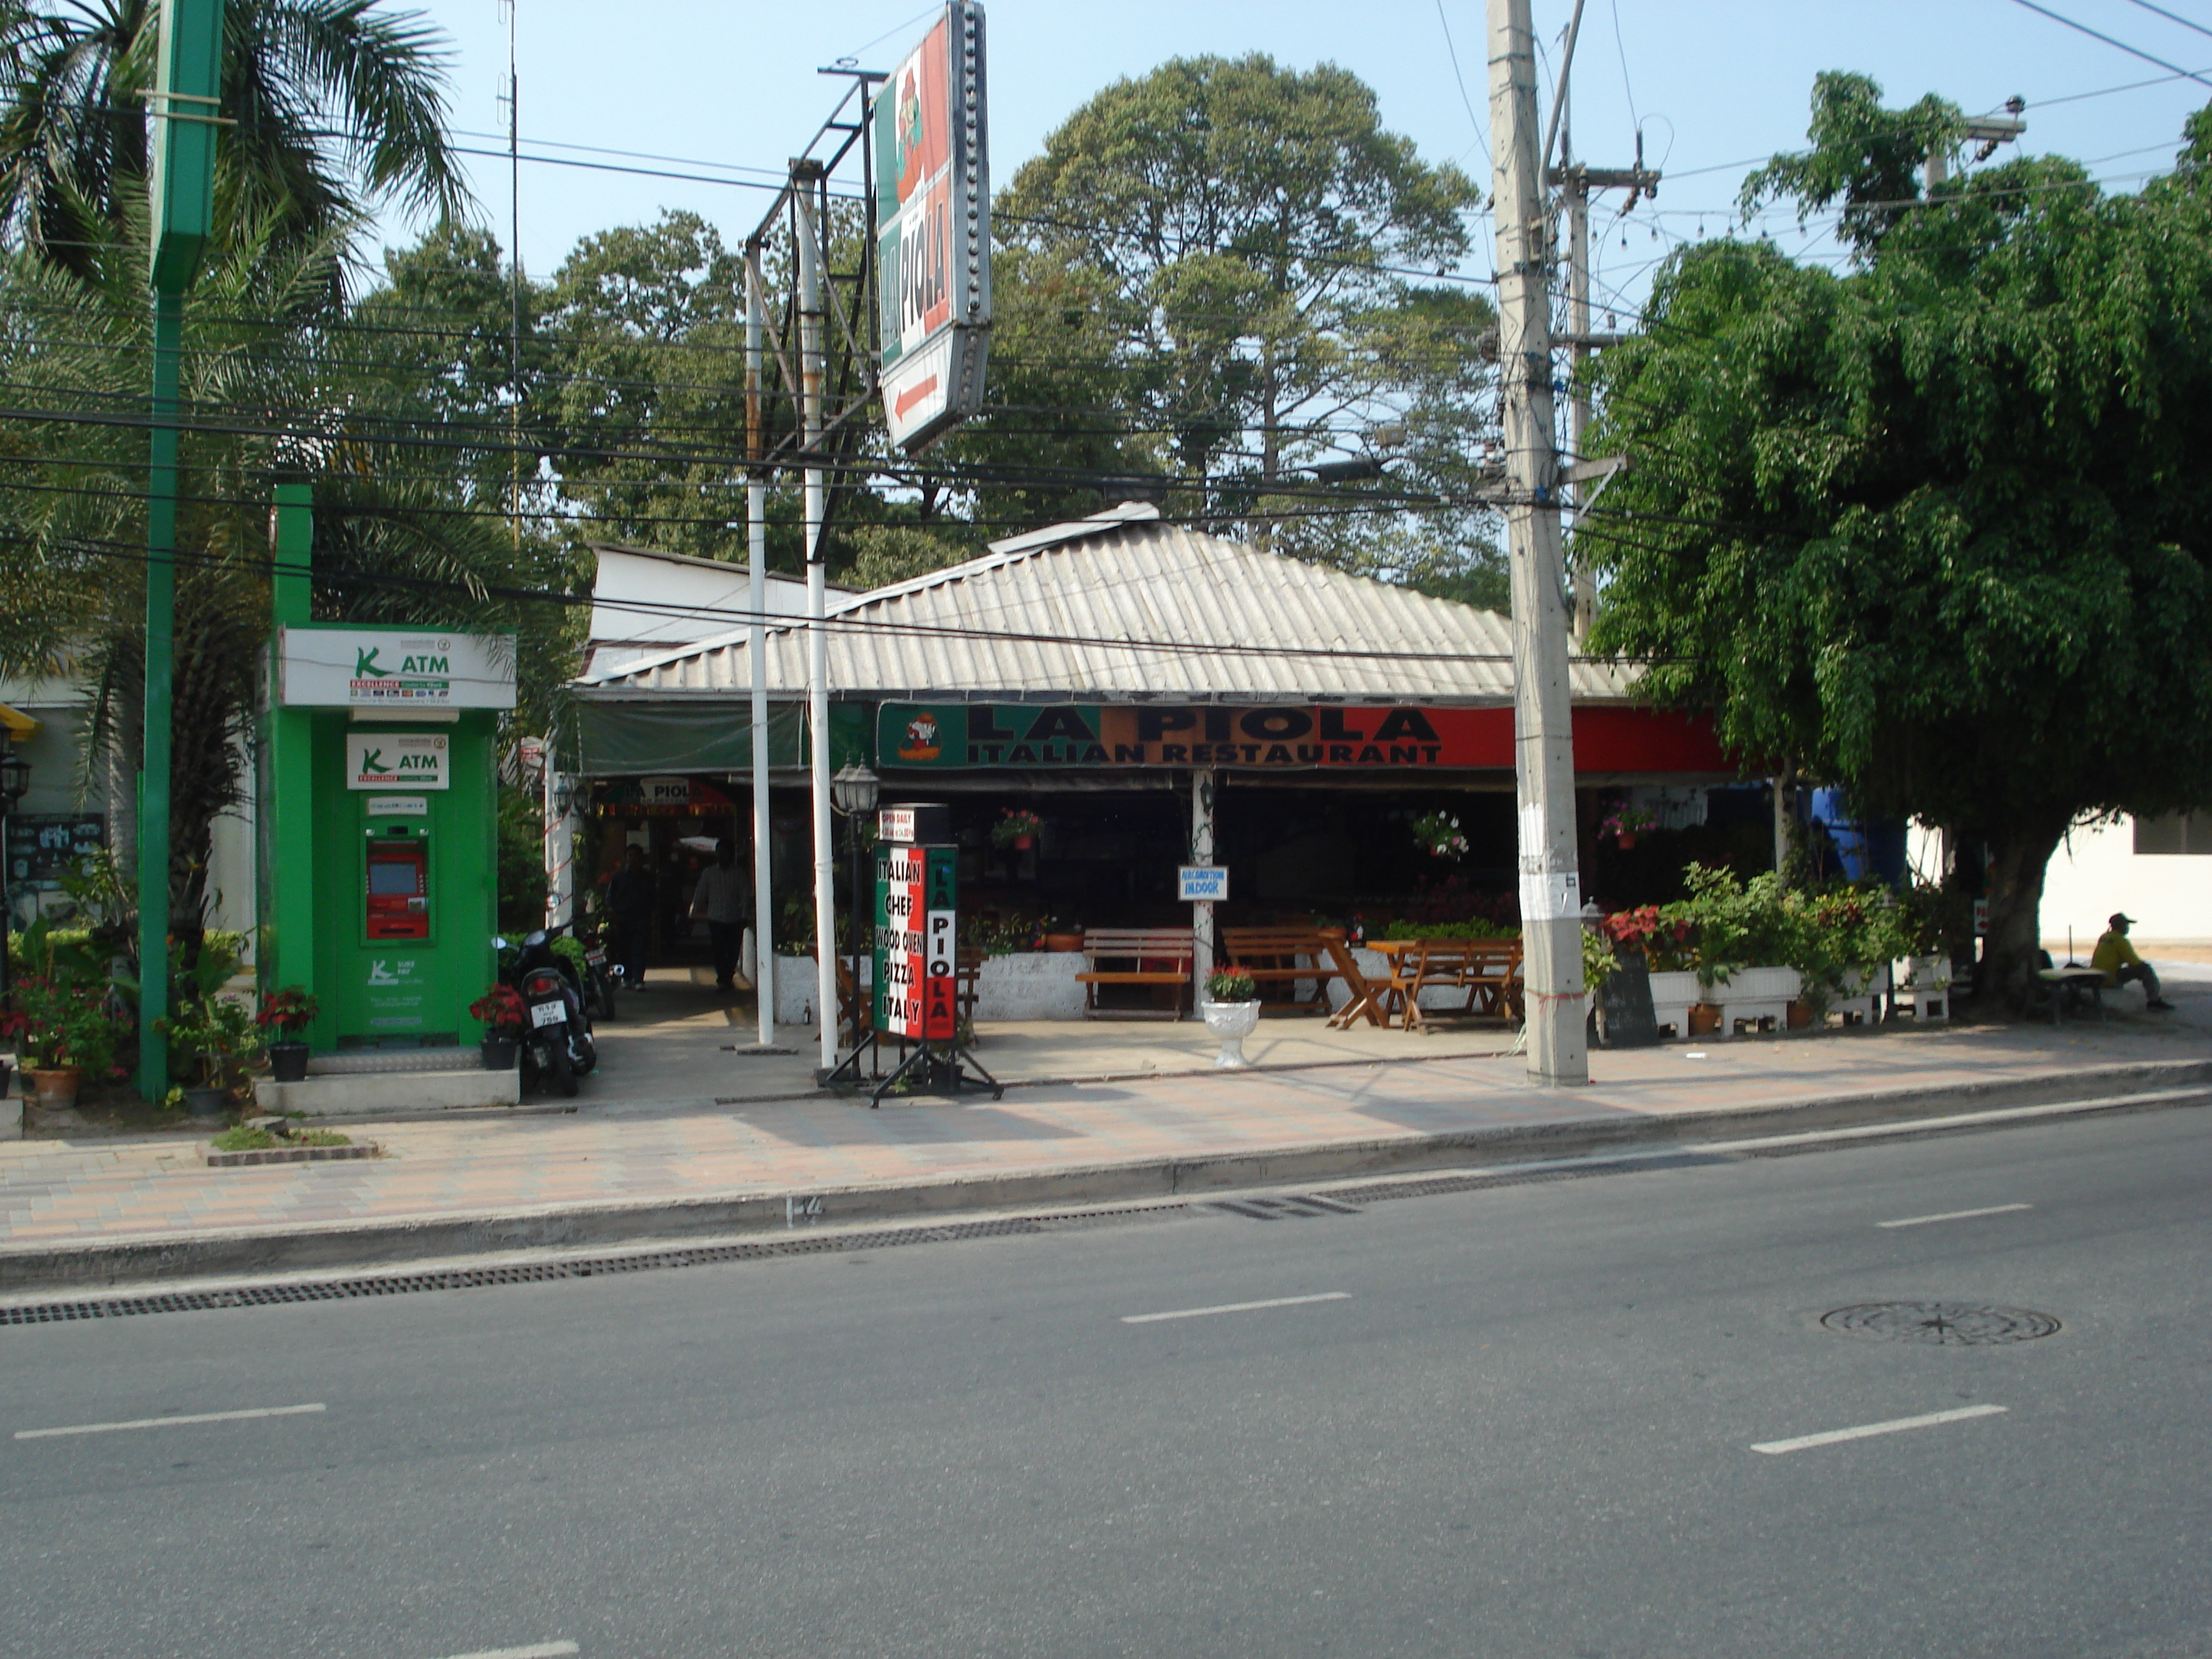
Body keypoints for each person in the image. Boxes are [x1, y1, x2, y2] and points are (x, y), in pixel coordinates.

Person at [690, 837, 751, 994]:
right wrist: (693, 911)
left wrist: (745, 914)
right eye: (720, 853)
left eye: (726, 853)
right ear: (716, 854)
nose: (723, 856)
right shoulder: (709, 873)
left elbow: (745, 895)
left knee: (732, 950)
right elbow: (701, 892)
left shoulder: (739, 874)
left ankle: (727, 976)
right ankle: (722, 978)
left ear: (732, 854)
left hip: (734, 917)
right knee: (718, 949)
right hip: (716, 917)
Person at [2090, 912, 2173, 1010]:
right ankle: (2154, 1001)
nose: (2128, 928)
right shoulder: (2121, 940)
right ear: (2121, 926)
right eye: (2126, 925)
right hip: (2108, 979)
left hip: (2095, 978)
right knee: (2145, 969)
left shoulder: (2104, 937)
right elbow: (2135, 963)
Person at [603, 844, 656, 992]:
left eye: (635, 855)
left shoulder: (647, 877)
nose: (632, 859)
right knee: (623, 950)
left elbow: (653, 898)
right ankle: (627, 978)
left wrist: (651, 916)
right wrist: (611, 911)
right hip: (622, 918)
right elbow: (610, 896)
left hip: (641, 918)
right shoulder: (619, 876)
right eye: (630, 855)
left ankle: (639, 979)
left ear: (641, 858)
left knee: (640, 949)